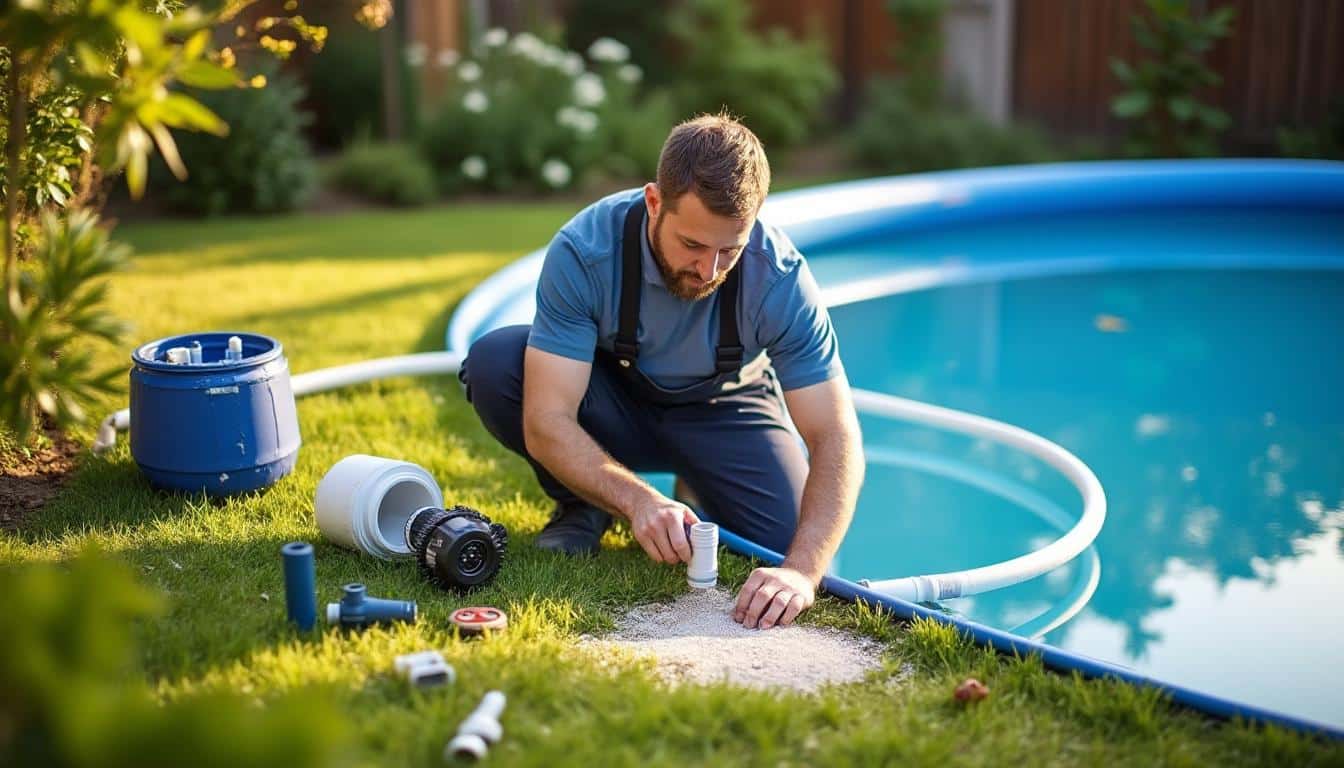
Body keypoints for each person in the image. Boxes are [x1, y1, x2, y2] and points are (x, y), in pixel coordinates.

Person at [459, 113, 863, 630]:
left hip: (728, 407)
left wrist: (802, 572)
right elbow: (547, 418)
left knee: (787, 546)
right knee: (497, 363)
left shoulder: (781, 279)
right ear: (654, 202)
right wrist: (637, 501)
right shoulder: (585, 252)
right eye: (693, 245)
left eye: (729, 250)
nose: (709, 271)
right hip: (611, 403)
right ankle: (583, 504)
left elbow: (835, 434)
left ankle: (695, 490)